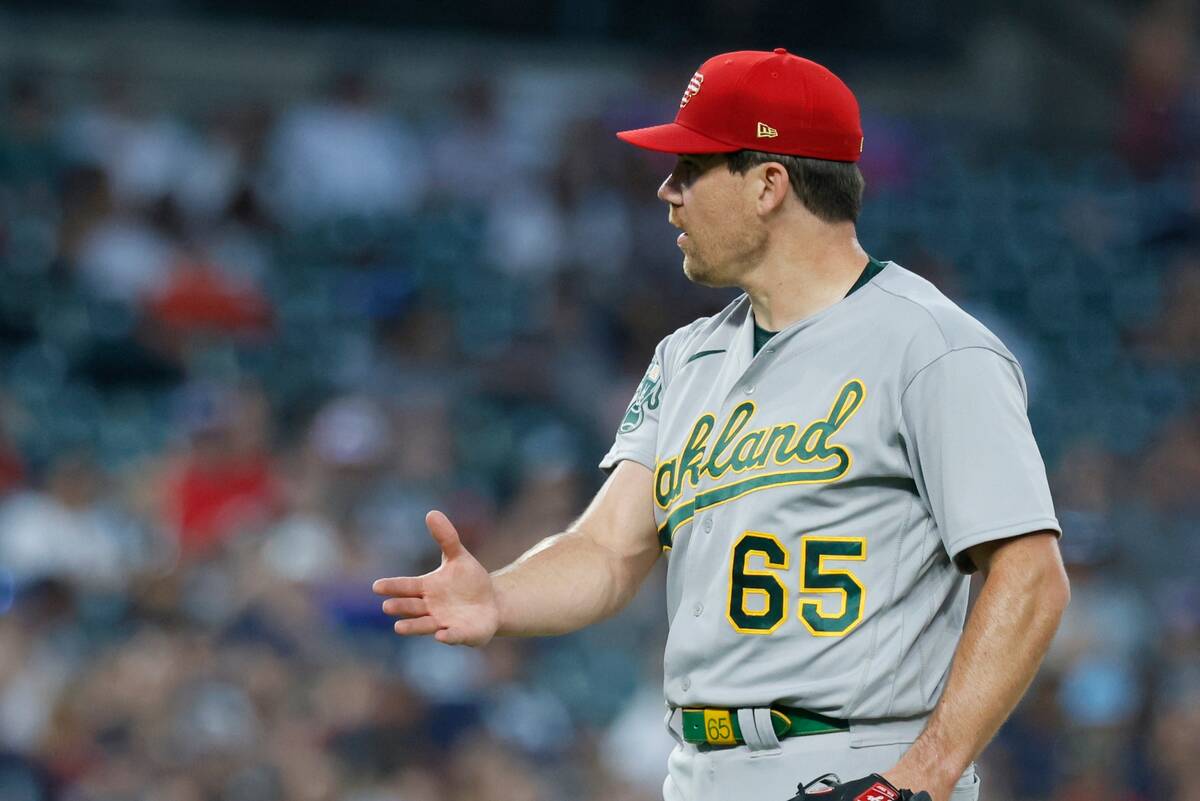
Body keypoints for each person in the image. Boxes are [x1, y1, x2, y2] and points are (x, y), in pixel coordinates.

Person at [373, 48, 1069, 801]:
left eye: (692, 168)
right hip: (698, 768)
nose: (668, 192)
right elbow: (608, 551)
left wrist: (923, 777)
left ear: (770, 183)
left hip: (860, 760)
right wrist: (499, 598)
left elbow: (1030, 574)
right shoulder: (687, 356)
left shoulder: (931, 345)